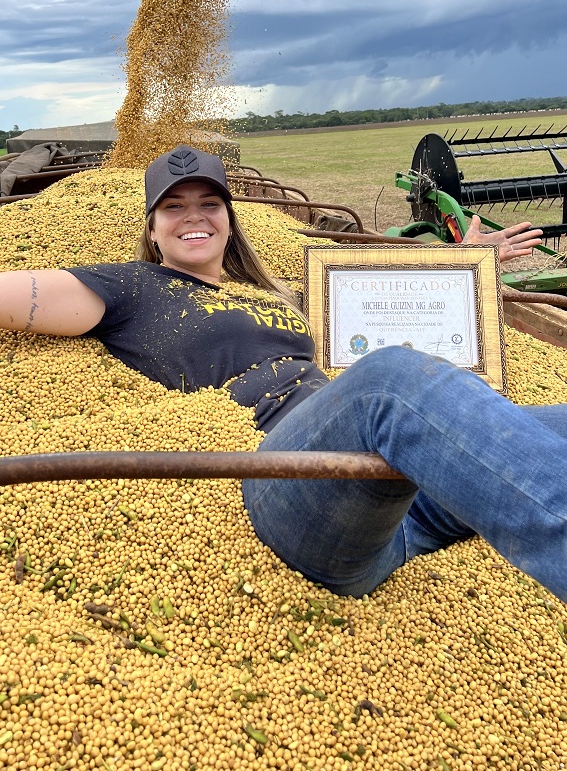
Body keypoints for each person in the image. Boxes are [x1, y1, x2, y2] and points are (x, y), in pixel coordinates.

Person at [0, 145, 564, 603]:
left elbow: (383, 302)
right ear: (151, 230)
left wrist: (463, 260)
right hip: (297, 493)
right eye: (173, 206)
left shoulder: (274, 293)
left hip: (397, 503)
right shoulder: (129, 288)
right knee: (388, 380)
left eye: (209, 203)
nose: (193, 215)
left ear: (229, 220)